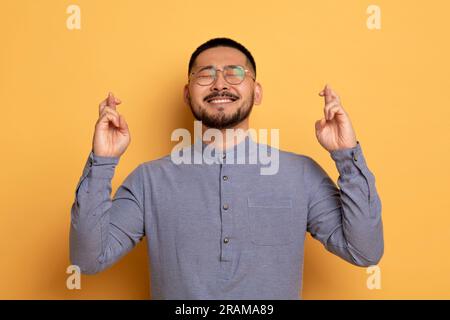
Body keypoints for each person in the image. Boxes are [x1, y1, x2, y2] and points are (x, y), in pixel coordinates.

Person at [70, 37, 384, 299]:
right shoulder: (149, 180)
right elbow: (88, 258)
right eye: (205, 74)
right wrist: (103, 161)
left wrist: (345, 154)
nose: (220, 83)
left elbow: (364, 251)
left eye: (234, 72)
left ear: (257, 92)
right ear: (187, 93)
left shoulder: (301, 174)